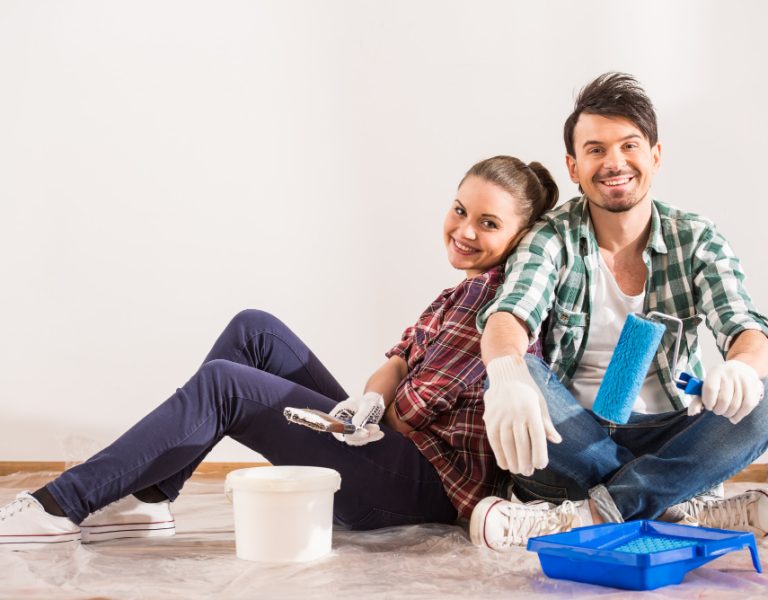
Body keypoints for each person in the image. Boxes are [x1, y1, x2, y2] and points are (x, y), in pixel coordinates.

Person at [0, 155, 559, 547]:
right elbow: (398, 361)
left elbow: (411, 411)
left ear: (520, 234)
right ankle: (150, 498)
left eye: (488, 223)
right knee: (256, 331)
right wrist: (365, 401)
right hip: (393, 450)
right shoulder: (458, 289)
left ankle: (58, 506)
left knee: (227, 383)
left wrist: (349, 421)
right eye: (460, 210)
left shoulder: (503, 300)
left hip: (423, 487)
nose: (464, 230)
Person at [469, 73, 768, 551]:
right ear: (573, 165)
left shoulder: (696, 237)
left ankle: (586, 516)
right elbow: (509, 316)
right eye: (595, 150)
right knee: (515, 368)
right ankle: (677, 508)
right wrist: (506, 374)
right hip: (572, 436)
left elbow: (748, 328)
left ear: (655, 155)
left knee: (766, 396)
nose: (614, 162)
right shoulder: (551, 237)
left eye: (629, 145)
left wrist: (741, 365)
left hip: (672, 436)